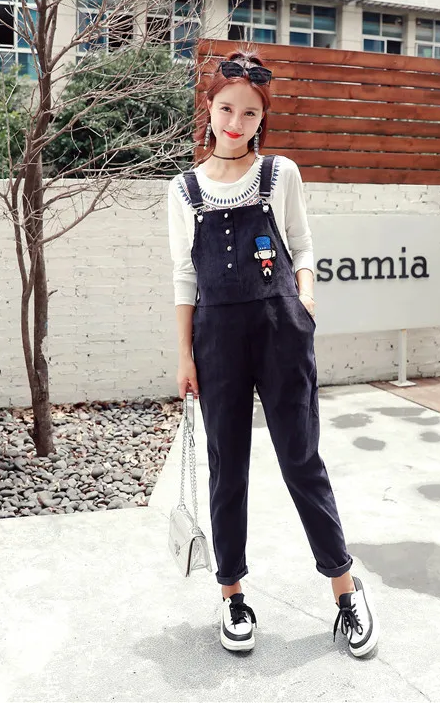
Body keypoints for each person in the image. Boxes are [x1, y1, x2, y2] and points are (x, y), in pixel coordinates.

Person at [167, 49, 379, 658]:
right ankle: (232, 593)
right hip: (216, 342)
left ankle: (345, 589)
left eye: (250, 113)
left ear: (263, 118)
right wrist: (184, 356)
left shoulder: (279, 174)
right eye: (226, 108)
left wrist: (304, 300)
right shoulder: (184, 190)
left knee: (301, 461)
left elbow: (303, 245)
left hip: (282, 331)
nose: (235, 122)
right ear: (209, 109)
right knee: (227, 468)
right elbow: (184, 276)